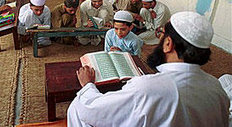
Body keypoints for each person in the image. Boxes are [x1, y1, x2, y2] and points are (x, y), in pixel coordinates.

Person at [67, 11, 230, 127]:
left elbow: (93, 110)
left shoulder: (147, 87)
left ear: (168, 44)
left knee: (77, 107)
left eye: (162, 36)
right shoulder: (216, 87)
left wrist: (88, 85)